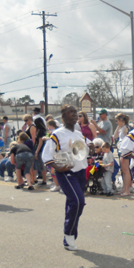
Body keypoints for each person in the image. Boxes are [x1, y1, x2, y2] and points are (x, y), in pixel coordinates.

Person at [42, 105, 88, 250]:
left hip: (81, 170)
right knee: (78, 202)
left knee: (73, 203)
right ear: (63, 117)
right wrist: (57, 168)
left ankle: (69, 236)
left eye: (75, 112)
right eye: (70, 113)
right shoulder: (57, 134)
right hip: (66, 171)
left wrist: (90, 148)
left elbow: (81, 150)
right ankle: (69, 234)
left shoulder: (78, 133)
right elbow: (46, 155)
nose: (74, 115)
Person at [114, 113, 133, 196]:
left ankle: (127, 190)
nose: (116, 122)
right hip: (121, 150)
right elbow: (115, 136)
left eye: (117, 120)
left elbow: (128, 140)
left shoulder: (126, 128)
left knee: (126, 170)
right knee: (123, 170)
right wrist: (119, 126)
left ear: (121, 120)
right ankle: (124, 188)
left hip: (126, 151)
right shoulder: (122, 128)